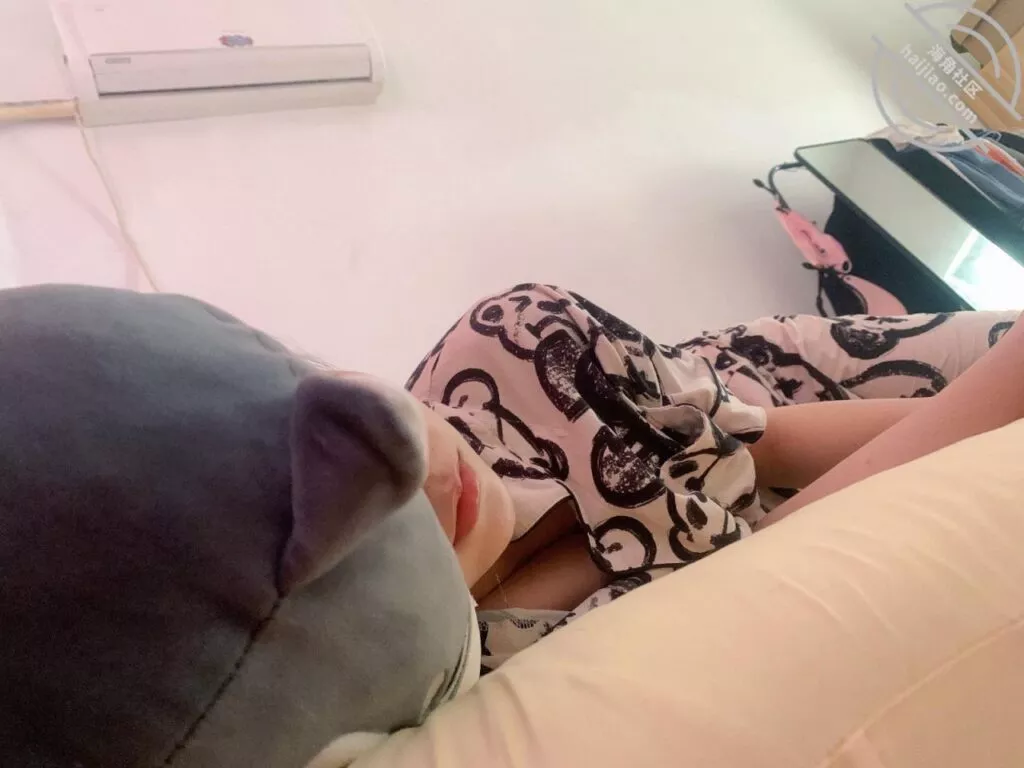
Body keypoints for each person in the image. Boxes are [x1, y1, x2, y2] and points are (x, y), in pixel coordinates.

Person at [393, 283, 1020, 669]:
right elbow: (779, 562)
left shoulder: (505, 344)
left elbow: (768, 441)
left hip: (766, 382)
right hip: (808, 537)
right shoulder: (501, 662)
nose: (395, 479)